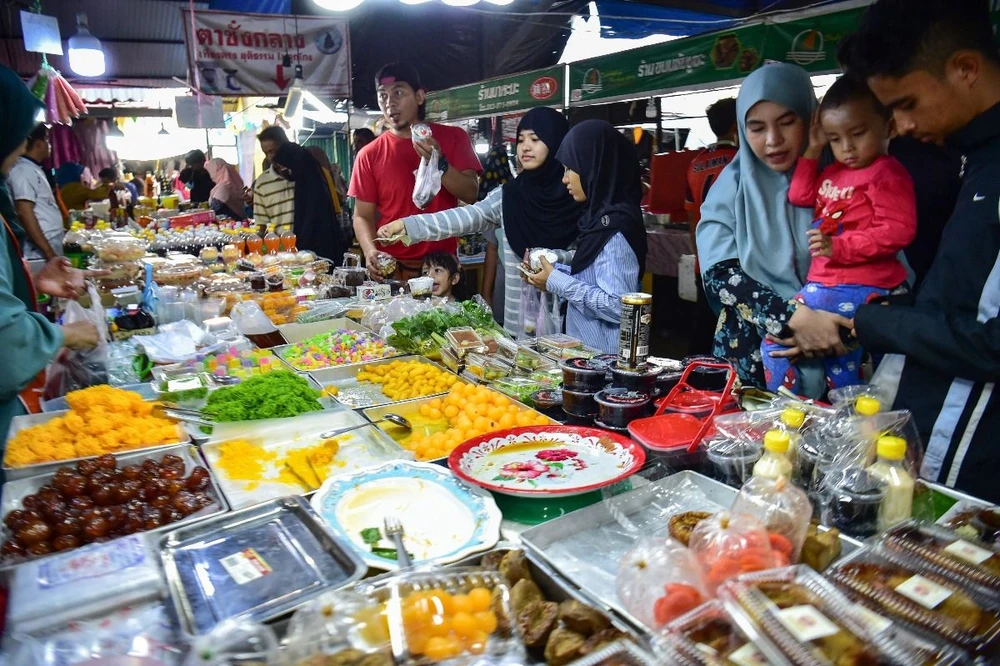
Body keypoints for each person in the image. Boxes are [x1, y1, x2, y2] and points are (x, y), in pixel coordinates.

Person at [835, 0, 1000, 501]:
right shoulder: (974, 156)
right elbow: (964, 292)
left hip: (976, 453)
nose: (902, 127)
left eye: (906, 104)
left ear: (965, 68)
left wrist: (876, 322)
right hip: (931, 428)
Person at [697, 63, 843, 398]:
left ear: (811, 118)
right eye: (757, 128)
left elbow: (881, 269)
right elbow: (721, 276)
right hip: (752, 363)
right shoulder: (730, 189)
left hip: (835, 354)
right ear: (741, 131)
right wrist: (796, 320)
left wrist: (831, 330)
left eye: (787, 122)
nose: (773, 140)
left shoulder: (843, 182)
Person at [763, 75, 917, 392]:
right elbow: (800, 195)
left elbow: (898, 231)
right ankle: (800, 408)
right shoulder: (834, 171)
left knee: (824, 352)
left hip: (862, 284)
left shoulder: (887, 173)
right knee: (801, 346)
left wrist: (839, 247)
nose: (846, 148)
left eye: (857, 134)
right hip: (825, 283)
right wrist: (814, 148)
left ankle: (829, 412)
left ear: (888, 127)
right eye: (835, 139)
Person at [376, 107, 581, 337]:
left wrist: (553, 261)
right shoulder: (508, 196)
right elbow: (464, 218)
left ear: (556, 143)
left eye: (535, 139)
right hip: (517, 331)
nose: (525, 146)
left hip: (567, 334)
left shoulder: (577, 197)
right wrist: (408, 225)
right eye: (521, 139)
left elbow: (587, 257)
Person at [0, 65, 100, 444]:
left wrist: (32, 279)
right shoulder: (22, 173)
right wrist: (63, 334)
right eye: (20, 131)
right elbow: (5, 345)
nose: (23, 144)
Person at [350, 63, 482, 281]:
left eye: (398, 93)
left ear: (420, 96)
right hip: (393, 270)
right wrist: (370, 250)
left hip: (442, 271)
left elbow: (470, 193)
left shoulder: (454, 138)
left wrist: (439, 161)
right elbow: (362, 215)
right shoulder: (368, 154)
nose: (389, 103)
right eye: (382, 95)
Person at [525, 120, 648, 353]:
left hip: (605, 363)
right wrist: (551, 275)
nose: (565, 179)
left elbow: (619, 306)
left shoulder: (615, 229)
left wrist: (557, 281)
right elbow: (596, 280)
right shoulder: (598, 221)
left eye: (570, 168)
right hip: (587, 357)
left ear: (594, 166)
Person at [685, 97, 738, 353]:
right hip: (734, 258)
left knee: (703, 322)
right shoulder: (741, 162)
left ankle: (695, 374)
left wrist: (698, 254)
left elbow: (690, 216)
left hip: (704, 257)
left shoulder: (696, 163)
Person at [270, 142, 345, 262]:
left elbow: (309, 218)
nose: (284, 172)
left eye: (285, 167)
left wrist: (301, 246)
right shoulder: (309, 175)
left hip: (317, 246)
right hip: (320, 243)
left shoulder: (309, 183)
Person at [8, 125, 63, 260]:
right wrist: (48, 252)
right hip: (38, 252)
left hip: (47, 246)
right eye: (47, 140)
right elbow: (24, 211)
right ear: (38, 144)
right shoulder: (23, 170)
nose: (50, 145)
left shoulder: (32, 168)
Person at [253, 126, 296, 231]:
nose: (270, 157)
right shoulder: (262, 183)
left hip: (309, 244)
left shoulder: (303, 173)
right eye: (266, 153)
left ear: (285, 146)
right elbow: (261, 224)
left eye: (273, 151)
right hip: (280, 245)